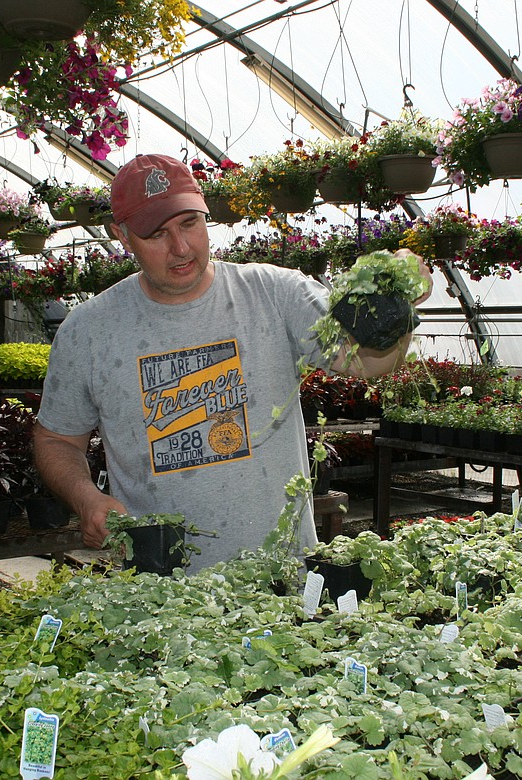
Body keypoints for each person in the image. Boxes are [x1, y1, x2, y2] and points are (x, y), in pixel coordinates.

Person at [33, 154, 430, 570]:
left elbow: (365, 361)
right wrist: (87, 499)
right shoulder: (89, 330)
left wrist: (398, 301)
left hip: (280, 578)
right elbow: (57, 439)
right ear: (122, 235)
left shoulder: (274, 293)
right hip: (158, 593)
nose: (181, 248)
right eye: (156, 234)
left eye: (190, 223)